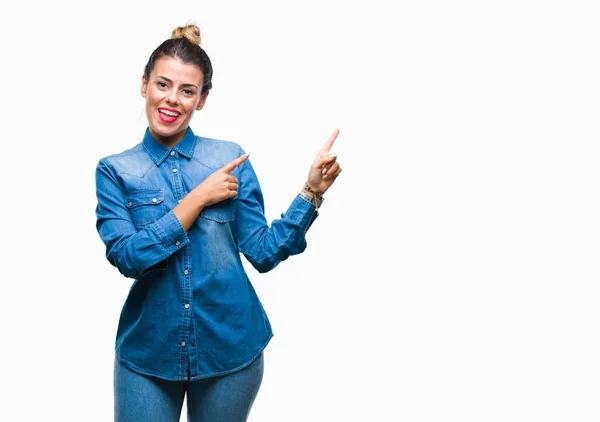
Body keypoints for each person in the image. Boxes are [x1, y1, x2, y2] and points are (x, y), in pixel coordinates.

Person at [94, 23, 342, 422]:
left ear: (202, 99)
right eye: (162, 84)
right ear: (144, 85)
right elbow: (127, 257)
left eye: (187, 90)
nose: (172, 99)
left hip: (231, 346)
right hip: (148, 352)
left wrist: (310, 192)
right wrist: (197, 199)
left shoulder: (230, 158)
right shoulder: (115, 170)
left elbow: (262, 251)